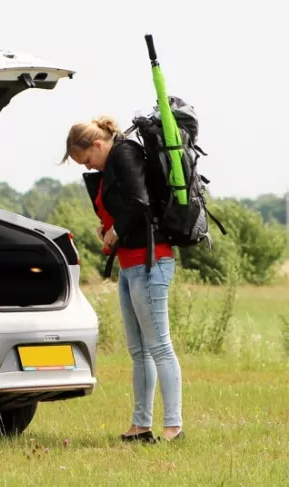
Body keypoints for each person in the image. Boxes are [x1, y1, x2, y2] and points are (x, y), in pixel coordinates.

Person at [62, 116, 184, 443]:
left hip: (151, 261)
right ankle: (141, 426)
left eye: (87, 159)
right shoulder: (112, 163)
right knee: (139, 350)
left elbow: (139, 201)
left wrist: (114, 232)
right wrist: (108, 229)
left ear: (98, 144)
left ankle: (173, 428)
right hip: (131, 264)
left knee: (159, 346)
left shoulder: (124, 154)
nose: (88, 166)